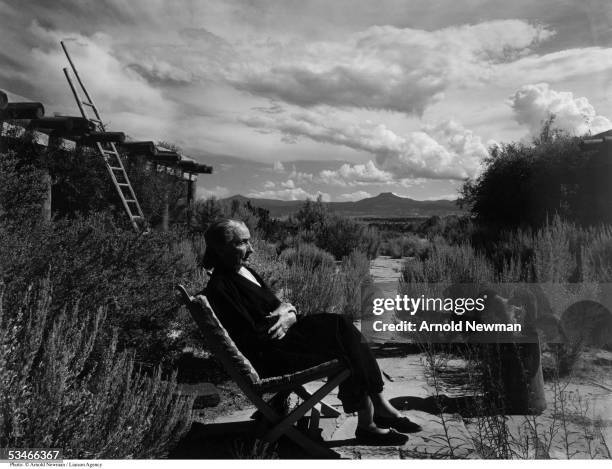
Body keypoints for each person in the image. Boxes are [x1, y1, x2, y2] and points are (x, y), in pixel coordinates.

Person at [200, 218, 421, 445]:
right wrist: (286, 316)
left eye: (249, 241)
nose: (252, 249)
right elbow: (253, 336)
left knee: (343, 331)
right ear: (221, 247)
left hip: (284, 342)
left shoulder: (245, 272)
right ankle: (374, 415)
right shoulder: (221, 287)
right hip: (271, 356)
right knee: (344, 341)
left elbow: (277, 307)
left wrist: (289, 312)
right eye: (243, 243)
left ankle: (372, 417)